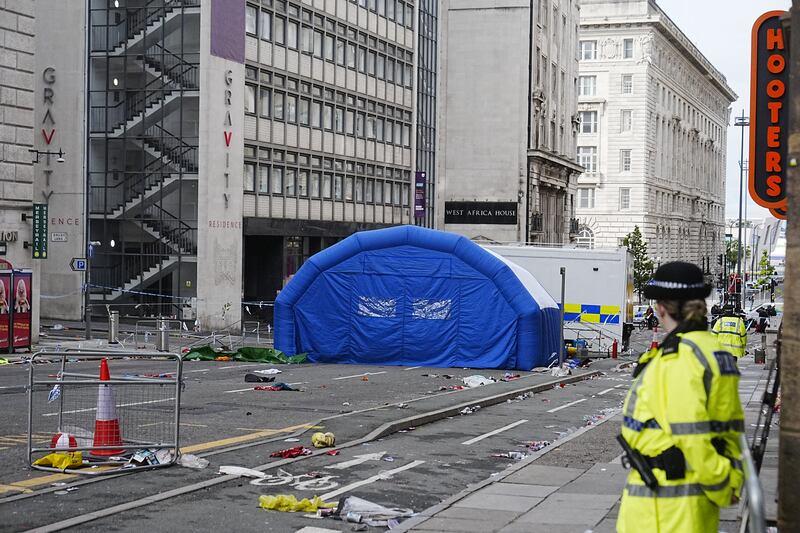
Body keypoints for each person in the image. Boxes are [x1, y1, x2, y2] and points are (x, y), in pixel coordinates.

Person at [617, 262, 744, 533]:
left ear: (662, 307)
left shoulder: (680, 358)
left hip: (663, 509)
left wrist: (722, 486)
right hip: (691, 505)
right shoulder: (713, 350)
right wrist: (730, 480)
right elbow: (729, 430)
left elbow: (691, 435)